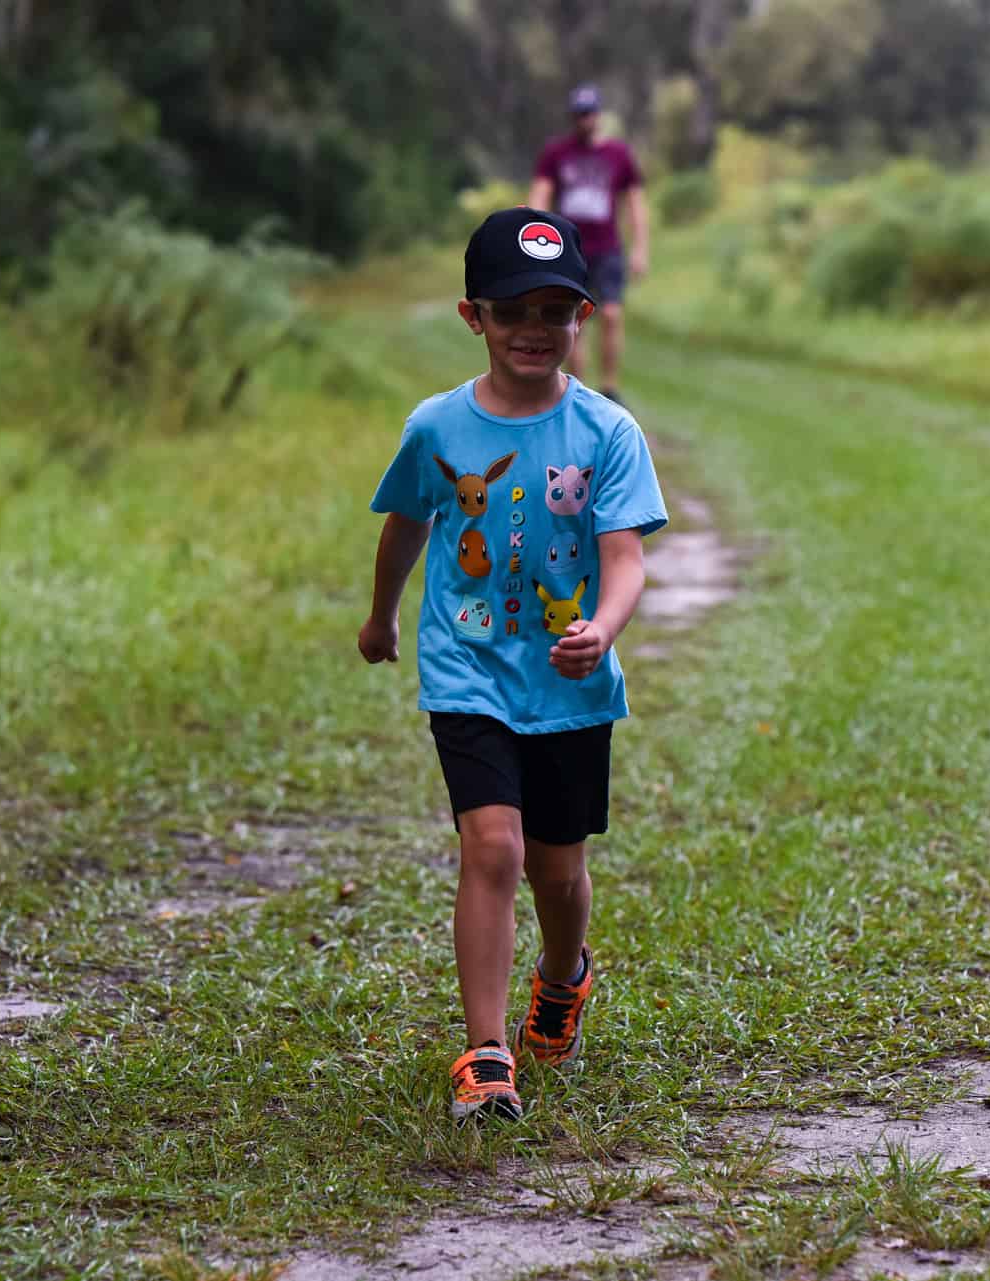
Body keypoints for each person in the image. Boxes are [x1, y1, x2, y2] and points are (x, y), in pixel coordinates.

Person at [357, 206, 668, 1124]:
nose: (534, 329)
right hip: (469, 668)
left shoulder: (608, 433)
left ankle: (564, 974)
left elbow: (626, 555)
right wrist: (381, 616)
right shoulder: (436, 427)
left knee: (556, 870)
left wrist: (604, 629)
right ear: (473, 316)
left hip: (569, 683)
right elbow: (407, 524)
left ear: (582, 319)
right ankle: (486, 1052)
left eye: (555, 310)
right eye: (511, 310)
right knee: (490, 845)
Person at [528, 83, 649, 406]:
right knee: (572, 322)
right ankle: (578, 392)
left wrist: (640, 247)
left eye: (590, 113)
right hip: (569, 250)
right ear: (573, 117)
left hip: (608, 248)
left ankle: (609, 388)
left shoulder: (618, 155)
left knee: (610, 314)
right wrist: (532, 237)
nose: (585, 120)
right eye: (579, 114)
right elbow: (540, 194)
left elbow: (636, 202)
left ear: (598, 115)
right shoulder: (557, 154)